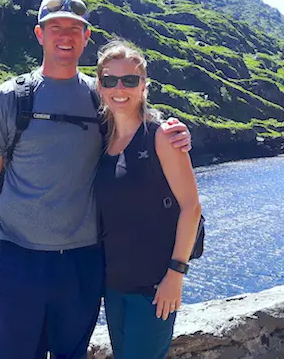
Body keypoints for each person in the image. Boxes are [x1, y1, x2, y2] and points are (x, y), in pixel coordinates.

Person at [0, 0, 191, 359]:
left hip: (83, 263)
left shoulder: (98, 96)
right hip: (20, 258)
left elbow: (134, 116)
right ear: (40, 34)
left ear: (86, 38)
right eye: (56, 27)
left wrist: (176, 132)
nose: (66, 36)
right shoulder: (10, 98)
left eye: (75, 28)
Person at [94, 40, 202, 359]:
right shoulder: (103, 138)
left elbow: (191, 208)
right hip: (114, 287)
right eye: (110, 80)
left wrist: (175, 275)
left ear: (144, 86)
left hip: (154, 289)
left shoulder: (162, 137)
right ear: (99, 86)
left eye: (130, 80)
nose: (119, 88)